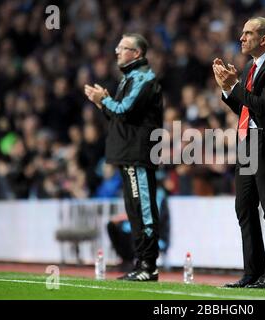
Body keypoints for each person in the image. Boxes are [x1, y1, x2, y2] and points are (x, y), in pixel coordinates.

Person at [212, 17, 265, 289]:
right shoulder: (251, 66)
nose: (241, 37)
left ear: (263, 39)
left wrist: (235, 87)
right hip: (248, 143)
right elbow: (246, 110)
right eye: (242, 32)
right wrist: (227, 90)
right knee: (244, 208)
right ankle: (253, 272)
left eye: (248, 33)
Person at [84, 33, 163, 281]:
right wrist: (103, 103)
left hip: (138, 154)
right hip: (129, 155)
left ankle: (148, 266)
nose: (117, 51)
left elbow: (124, 111)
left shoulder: (142, 78)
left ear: (136, 53)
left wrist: (104, 100)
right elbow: (120, 116)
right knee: (135, 210)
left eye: (123, 47)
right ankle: (140, 263)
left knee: (143, 210)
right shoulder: (130, 78)